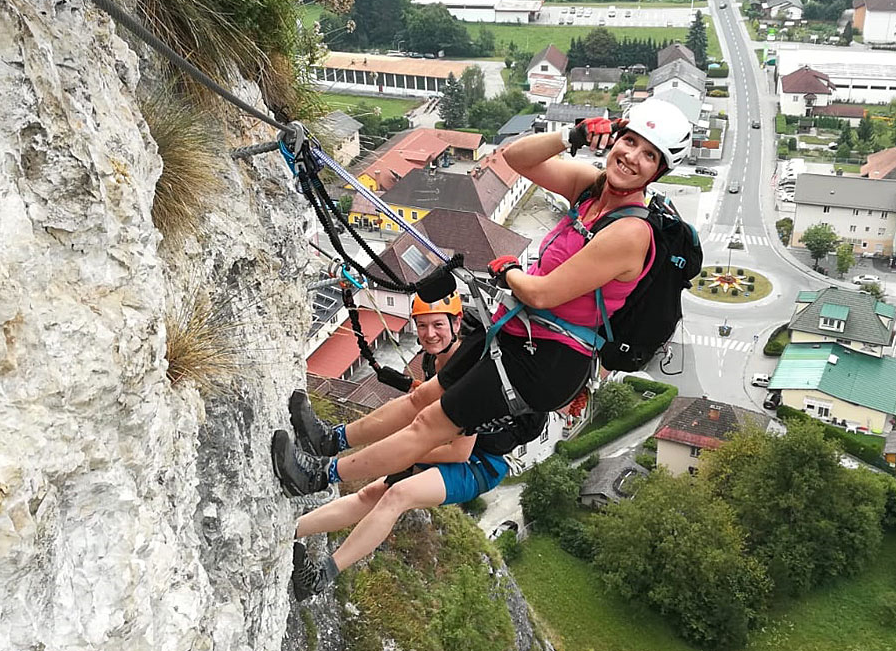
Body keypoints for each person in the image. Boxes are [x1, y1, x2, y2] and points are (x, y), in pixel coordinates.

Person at [275, 97, 693, 561]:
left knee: (428, 424)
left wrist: (510, 269)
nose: (632, 157)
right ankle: (327, 439)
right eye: (629, 141)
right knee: (421, 397)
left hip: (546, 360)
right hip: (515, 331)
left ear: (658, 172)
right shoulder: (590, 190)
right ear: (614, 136)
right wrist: (572, 136)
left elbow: (542, 293)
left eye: (648, 155)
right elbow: (514, 158)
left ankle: (319, 475)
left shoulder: (631, 233)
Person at [287, 292, 544, 599]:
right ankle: (290, 531)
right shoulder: (436, 362)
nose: (429, 334)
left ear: (456, 324)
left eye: (437, 324)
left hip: (478, 465)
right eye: (421, 326)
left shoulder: (472, 372)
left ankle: (320, 577)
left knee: (397, 494)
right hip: (453, 447)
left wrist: (401, 453)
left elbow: (458, 452)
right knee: (372, 492)